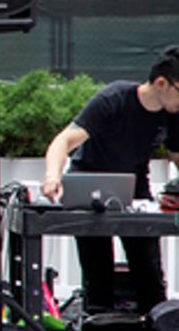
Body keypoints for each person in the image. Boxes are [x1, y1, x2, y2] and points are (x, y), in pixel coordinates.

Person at [41, 47, 179, 317]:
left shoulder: (172, 115)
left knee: (148, 268)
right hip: (89, 181)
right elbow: (65, 140)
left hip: (135, 187)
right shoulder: (113, 99)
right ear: (162, 82)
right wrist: (52, 176)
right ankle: (99, 330)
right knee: (97, 269)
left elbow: (177, 155)